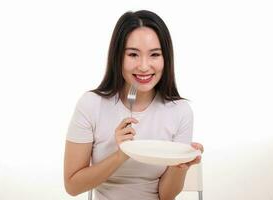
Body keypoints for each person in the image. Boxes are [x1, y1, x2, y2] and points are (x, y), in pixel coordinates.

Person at [64, 10, 204, 200]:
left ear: (166, 59)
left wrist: (180, 166)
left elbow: (167, 195)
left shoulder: (180, 112)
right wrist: (120, 155)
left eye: (154, 54)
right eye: (133, 54)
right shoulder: (91, 105)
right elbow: (72, 186)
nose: (144, 66)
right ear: (117, 57)